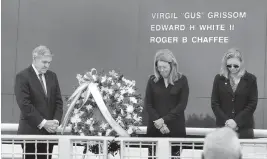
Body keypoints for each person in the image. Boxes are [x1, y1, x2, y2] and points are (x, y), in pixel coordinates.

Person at [14, 45, 63, 159]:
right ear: (34, 58)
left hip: (49, 134)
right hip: (30, 133)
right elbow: (24, 104)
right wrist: (44, 123)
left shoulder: (52, 76)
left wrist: (55, 121)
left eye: (49, 62)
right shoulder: (22, 76)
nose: (47, 65)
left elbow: (58, 102)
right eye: (44, 62)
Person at [145, 49, 189, 157]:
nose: (161, 70)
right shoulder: (152, 80)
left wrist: (164, 120)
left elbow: (182, 105)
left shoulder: (182, 80)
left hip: (175, 128)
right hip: (155, 128)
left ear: (172, 65)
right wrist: (159, 123)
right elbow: (148, 104)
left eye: (164, 67)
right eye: (159, 67)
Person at [211, 48, 258, 139]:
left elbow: (252, 103)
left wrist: (236, 122)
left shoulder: (250, 79)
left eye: (235, 66)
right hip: (223, 129)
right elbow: (215, 103)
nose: (232, 68)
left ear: (241, 63)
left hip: (244, 129)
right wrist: (227, 122)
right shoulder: (219, 79)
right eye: (229, 66)